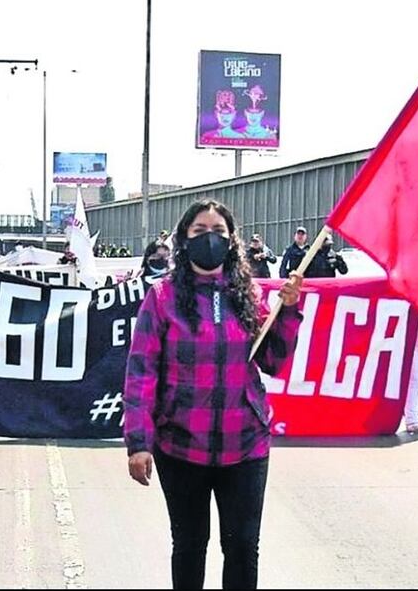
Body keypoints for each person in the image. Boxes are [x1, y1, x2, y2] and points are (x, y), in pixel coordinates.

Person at [124, 199, 304, 590]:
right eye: (200, 232)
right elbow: (141, 374)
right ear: (183, 242)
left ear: (232, 241)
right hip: (181, 446)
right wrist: (138, 442)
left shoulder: (249, 295)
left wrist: (288, 312)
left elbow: (273, 362)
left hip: (246, 446)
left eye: (219, 233)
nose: (210, 240)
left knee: (242, 547)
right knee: (189, 547)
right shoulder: (162, 298)